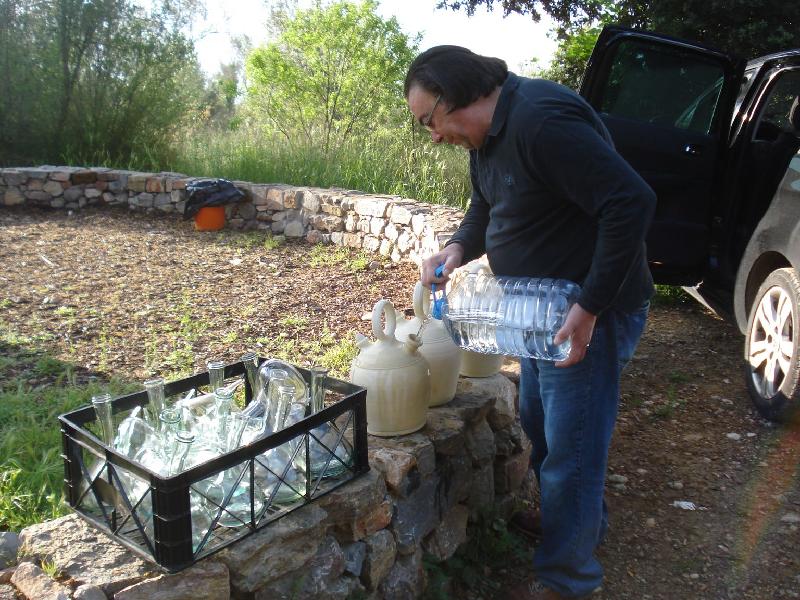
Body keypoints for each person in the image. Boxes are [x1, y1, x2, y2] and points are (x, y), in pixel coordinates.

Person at [405, 45, 656, 600]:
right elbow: (485, 205)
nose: (433, 135)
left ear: (456, 96)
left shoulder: (540, 122)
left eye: (430, 120)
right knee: (544, 429)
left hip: (585, 314)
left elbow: (631, 202)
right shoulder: (488, 139)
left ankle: (569, 579)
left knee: (573, 448)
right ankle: (579, 529)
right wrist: (456, 249)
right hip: (539, 315)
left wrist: (590, 307)